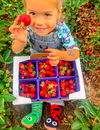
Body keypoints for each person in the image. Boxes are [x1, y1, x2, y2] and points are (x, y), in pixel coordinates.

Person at [9, 0, 80, 129]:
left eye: (47, 14)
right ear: (25, 12)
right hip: (36, 62)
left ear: (58, 13)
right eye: (33, 13)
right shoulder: (28, 28)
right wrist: (20, 40)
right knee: (36, 87)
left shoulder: (62, 30)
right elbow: (16, 50)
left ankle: (55, 112)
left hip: (56, 62)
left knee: (57, 86)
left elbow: (75, 53)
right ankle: (36, 112)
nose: (40, 22)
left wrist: (62, 55)